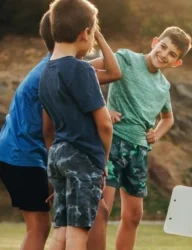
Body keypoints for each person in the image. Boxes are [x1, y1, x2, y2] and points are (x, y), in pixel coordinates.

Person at [89, 26, 192, 250]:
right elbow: (83, 74)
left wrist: (157, 132)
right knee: (101, 211)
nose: (164, 55)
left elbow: (168, 118)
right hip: (111, 144)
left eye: (172, 54)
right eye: (163, 47)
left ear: (176, 62)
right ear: (155, 42)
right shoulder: (126, 58)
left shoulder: (164, 86)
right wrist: (101, 111)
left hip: (138, 151)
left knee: (134, 215)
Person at [39, 0, 119, 249]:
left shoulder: (45, 72)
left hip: (58, 157)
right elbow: (105, 124)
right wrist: (102, 161)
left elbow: (49, 127)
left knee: (61, 231)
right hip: (83, 158)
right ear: (85, 33)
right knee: (78, 233)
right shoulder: (81, 71)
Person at [0, 11, 54, 250]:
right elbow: (49, 130)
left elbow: (103, 70)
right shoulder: (52, 74)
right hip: (23, 156)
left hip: (16, 152)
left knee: (39, 227)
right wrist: (55, 173)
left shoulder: (51, 64)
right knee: (39, 228)